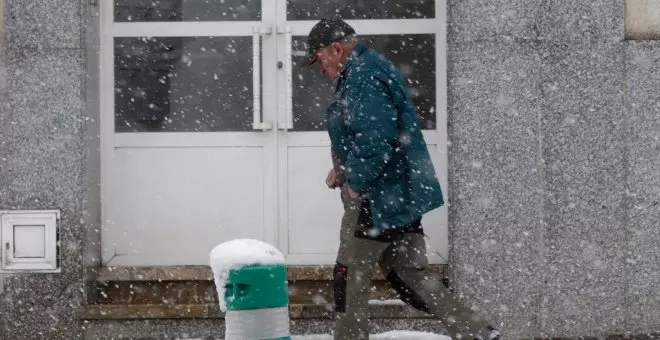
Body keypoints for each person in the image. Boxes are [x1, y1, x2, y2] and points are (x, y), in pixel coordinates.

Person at [304, 18, 502, 340]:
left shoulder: (363, 76)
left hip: (376, 198)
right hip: (398, 194)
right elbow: (372, 136)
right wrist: (344, 169)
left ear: (336, 49)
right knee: (410, 275)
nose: (320, 69)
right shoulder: (368, 69)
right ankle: (478, 332)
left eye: (319, 60)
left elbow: (375, 140)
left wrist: (354, 183)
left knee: (349, 277)